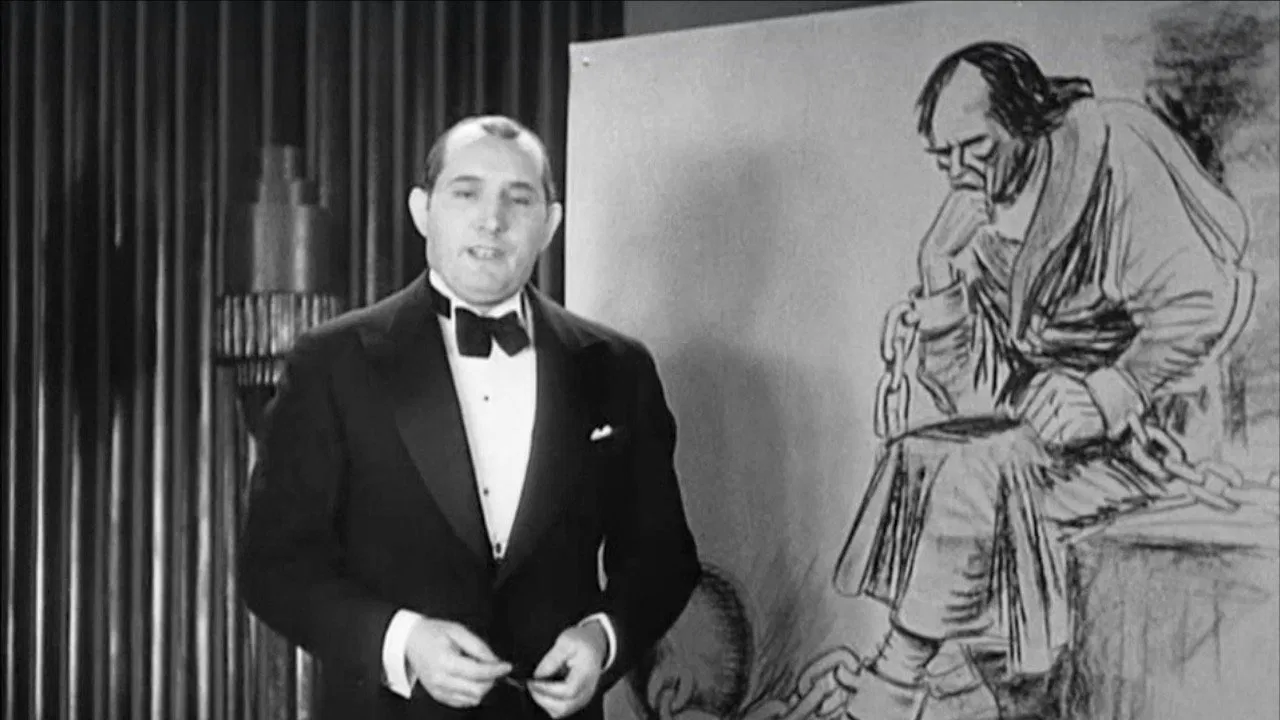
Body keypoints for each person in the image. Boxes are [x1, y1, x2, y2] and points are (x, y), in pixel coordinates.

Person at [809, 41, 1270, 720]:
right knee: (919, 455)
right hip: (1052, 435)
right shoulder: (979, 220)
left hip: (1153, 430)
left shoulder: (1112, 154)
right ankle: (957, 679)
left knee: (978, 473)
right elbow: (972, 395)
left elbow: (1199, 300)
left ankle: (897, 680)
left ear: (1024, 120)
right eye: (942, 157)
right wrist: (938, 271)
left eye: (973, 148)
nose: (958, 173)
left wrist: (1107, 394)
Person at [238, 114, 702, 719]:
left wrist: (602, 639)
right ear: (422, 211)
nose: (492, 220)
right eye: (466, 193)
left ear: (550, 223)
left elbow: (663, 557)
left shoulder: (618, 367)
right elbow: (272, 565)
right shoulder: (332, 362)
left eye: (519, 199)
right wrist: (403, 641)